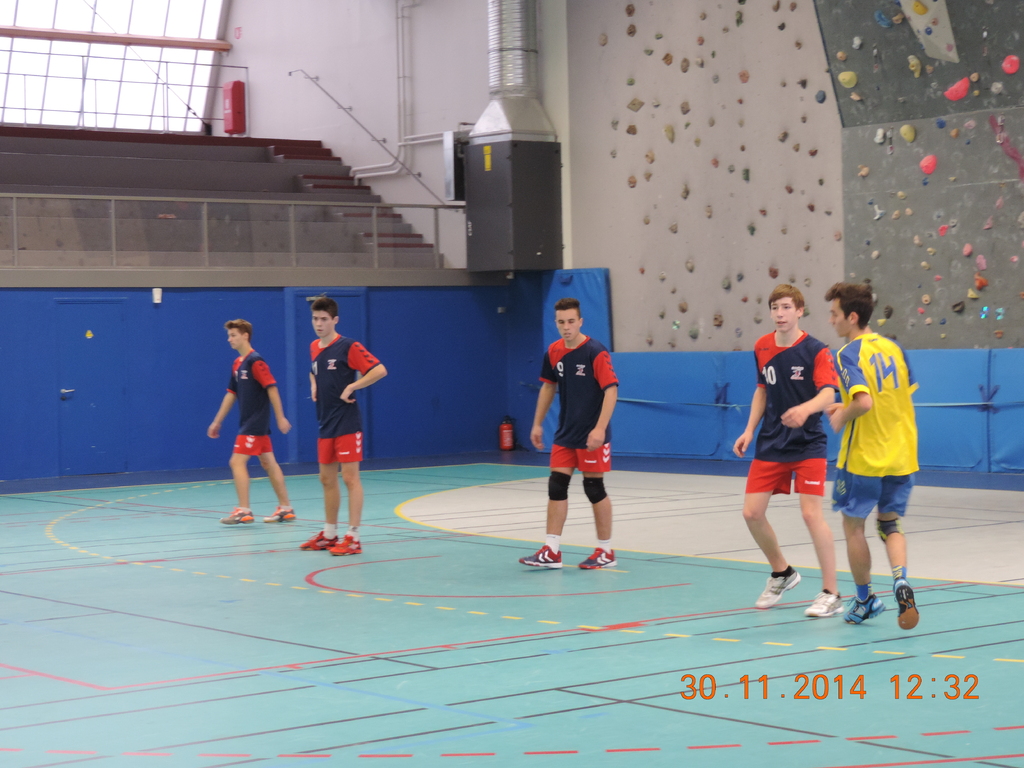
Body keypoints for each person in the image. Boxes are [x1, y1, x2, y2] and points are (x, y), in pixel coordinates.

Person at [733, 285, 843, 617]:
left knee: (811, 515)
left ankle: (831, 593)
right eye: (774, 308)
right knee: (751, 513)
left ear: (799, 311)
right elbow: (762, 390)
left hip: (808, 444)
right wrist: (749, 430)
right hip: (771, 442)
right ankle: (782, 572)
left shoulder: (816, 350)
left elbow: (829, 394)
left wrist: (805, 409)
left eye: (785, 307)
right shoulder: (762, 346)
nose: (779, 314)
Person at [825, 282, 920, 630]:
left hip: (865, 457)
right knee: (890, 523)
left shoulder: (847, 353)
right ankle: (900, 580)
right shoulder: (895, 349)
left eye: (834, 314)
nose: (831, 320)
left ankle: (865, 600)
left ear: (852, 317)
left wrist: (842, 414)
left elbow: (864, 402)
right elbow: (897, 396)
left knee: (853, 526)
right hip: (902, 453)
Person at [520, 297, 620, 570]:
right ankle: (551, 551)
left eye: (571, 321)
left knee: (594, 488)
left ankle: (606, 551)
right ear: (556, 323)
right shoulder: (553, 352)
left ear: (580, 322)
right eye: (561, 322)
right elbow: (548, 387)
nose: (566, 327)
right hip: (566, 432)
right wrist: (537, 424)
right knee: (556, 486)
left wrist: (600, 428)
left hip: (591, 436)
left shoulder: (595, 352)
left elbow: (611, 390)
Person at [300, 297, 388, 556]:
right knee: (326, 478)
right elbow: (313, 370)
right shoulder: (314, 347)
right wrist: (313, 384)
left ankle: (353, 537)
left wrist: (352, 386)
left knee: (350, 478)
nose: (319, 324)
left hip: (347, 421)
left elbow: (379, 370)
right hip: (325, 421)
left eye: (324, 319)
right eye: (315, 319)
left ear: (335, 320)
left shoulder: (349, 346)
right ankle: (329, 534)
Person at [207, 319, 295, 524]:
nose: (229, 339)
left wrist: (280, 417)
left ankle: (244, 511)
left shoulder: (255, 361)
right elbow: (231, 394)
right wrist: (217, 421)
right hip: (250, 422)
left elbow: (272, 388)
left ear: (245, 336)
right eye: (228, 336)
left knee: (236, 462)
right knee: (269, 463)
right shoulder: (237, 364)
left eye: (233, 335)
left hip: (255, 422)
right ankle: (286, 508)